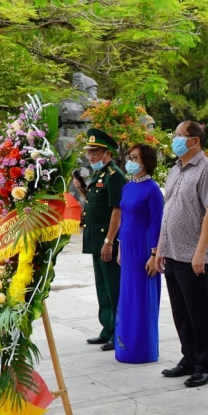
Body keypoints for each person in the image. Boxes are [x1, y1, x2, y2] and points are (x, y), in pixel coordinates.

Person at [156, 121, 208, 387]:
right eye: (175, 135)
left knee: (199, 313)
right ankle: (188, 358)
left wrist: (200, 252)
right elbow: (168, 209)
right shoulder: (175, 169)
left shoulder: (207, 170)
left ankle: (205, 365)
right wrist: (160, 249)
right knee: (180, 312)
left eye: (180, 136)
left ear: (195, 140)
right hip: (172, 252)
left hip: (193, 256)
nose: (175, 139)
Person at [114, 144, 164, 363]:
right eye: (129, 157)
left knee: (142, 297)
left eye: (135, 157)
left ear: (146, 162)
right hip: (128, 246)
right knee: (127, 296)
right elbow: (123, 218)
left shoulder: (152, 189)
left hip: (144, 248)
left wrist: (154, 254)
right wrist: (119, 246)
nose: (130, 161)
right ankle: (126, 346)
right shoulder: (127, 186)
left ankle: (143, 349)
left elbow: (157, 224)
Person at [81, 129, 125, 352]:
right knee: (102, 287)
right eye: (89, 153)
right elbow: (96, 203)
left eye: (95, 153)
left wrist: (109, 241)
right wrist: (82, 191)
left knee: (113, 287)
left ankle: (118, 331)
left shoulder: (114, 176)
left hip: (108, 241)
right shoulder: (99, 176)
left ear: (107, 153)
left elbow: (117, 210)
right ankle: (106, 329)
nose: (91, 157)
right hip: (96, 240)